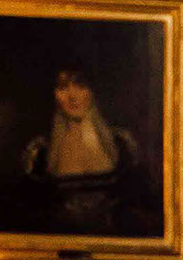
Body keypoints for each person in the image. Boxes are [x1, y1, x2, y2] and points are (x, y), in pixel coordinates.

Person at [21, 65, 138, 234]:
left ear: (93, 90)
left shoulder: (122, 143)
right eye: (63, 88)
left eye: (81, 86)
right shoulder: (39, 152)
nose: (72, 96)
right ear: (54, 94)